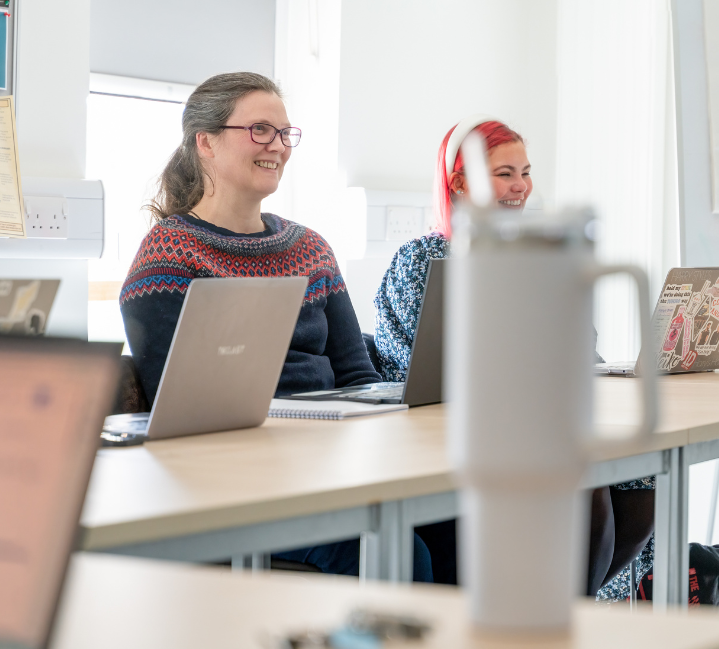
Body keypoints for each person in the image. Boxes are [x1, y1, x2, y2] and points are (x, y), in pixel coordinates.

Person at [119, 71, 431, 580]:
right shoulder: (168, 255)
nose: (279, 147)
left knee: (462, 523)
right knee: (406, 557)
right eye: (261, 130)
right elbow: (188, 407)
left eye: (285, 133)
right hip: (239, 482)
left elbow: (356, 376)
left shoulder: (310, 248)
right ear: (206, 143)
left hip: (330, 464)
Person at [373, 116, 653, 597]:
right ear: (460, 182)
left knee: (641, 480)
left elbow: (581, 349)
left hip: (538, 416)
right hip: (454, 433)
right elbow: (412, 370)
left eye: (525, 172)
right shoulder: (421, 259)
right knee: (584, 486)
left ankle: (566, 605)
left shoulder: (538, 255)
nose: (521, 186)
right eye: (505, 174)